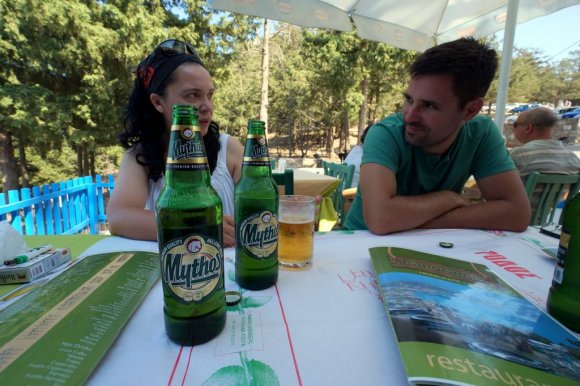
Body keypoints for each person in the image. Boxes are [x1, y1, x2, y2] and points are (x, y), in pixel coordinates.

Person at [343, 37, 530, 234]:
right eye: (408, 99)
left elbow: (517, 214)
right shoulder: (385, 134)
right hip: (362, 244)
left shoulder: (481, 133)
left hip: (434, 248)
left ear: (470, 110)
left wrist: (406, 221)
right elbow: (380, 219)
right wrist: (450, 199)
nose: (410, 116)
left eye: (430, 106)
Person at [106, 39, 244, 247]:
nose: (207, 106)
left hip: (230, 273)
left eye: (209, 95)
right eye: (193, 95)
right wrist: (199, 227)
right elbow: (118, 217)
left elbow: (261, 204)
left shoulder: (228, 148)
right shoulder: (140, 156)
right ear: (158, 102)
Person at [510, 107, 580, 180]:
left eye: (515, 125)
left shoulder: (517, 155)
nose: (513, 128)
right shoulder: (573, 159)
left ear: (528, 128)